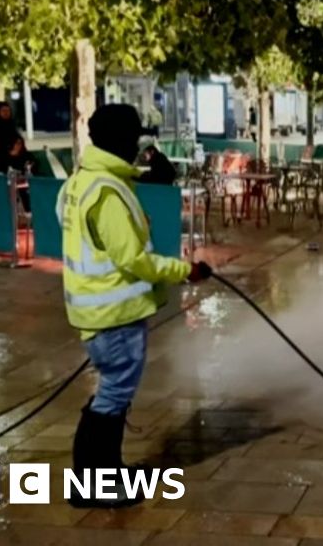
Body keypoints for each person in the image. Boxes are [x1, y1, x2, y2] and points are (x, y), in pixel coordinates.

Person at [56, 104, 212, 508]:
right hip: (114, 314)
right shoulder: (107, 191)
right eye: (133, 138)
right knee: (113, 396)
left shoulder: (81, 181)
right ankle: (94, 485)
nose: (136, 146)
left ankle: (103, 473)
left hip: (96, 310)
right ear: (120, 140)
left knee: (111, 394)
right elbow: (134, 260)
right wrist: (185, 270)